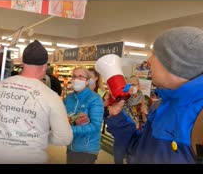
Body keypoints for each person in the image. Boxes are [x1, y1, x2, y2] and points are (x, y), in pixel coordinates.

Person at [103, 26, 203, 164]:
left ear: (175, 62)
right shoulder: (160, 105)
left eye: (155, 54)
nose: (148, 61)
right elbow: (137, 151)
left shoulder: (199, 119)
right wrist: (117, 117)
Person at [0, 40, 73, 164]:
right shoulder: (51, 97)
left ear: (23, 63)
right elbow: (64, 138)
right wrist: (42, 136)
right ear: (45, 66)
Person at [64, 67, 104, 164]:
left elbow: (95, 126)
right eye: (74, 76)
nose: (76, 79)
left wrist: (69, 130)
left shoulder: (94, 99)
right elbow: (64, 119)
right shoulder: (69, 98)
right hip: (71, 146)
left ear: (87, 81)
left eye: (81, 77)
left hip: (87, 149)